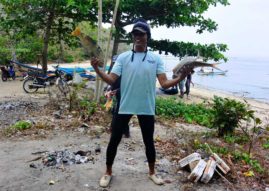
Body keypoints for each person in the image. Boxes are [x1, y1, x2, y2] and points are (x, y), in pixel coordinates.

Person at [90, 18, 192, 188]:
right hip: (125, 105)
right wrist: (96, 69)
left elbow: (164, 84)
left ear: (147, 36)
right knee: (114, 139)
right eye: (135, 34)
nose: (137, 37)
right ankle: (108, 172)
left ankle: (152, 172)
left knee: (148, 141)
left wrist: (181, 77)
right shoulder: (123, 58)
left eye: (141, 34)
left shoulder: (156, 59)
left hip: (146, 107)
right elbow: (111, 79)